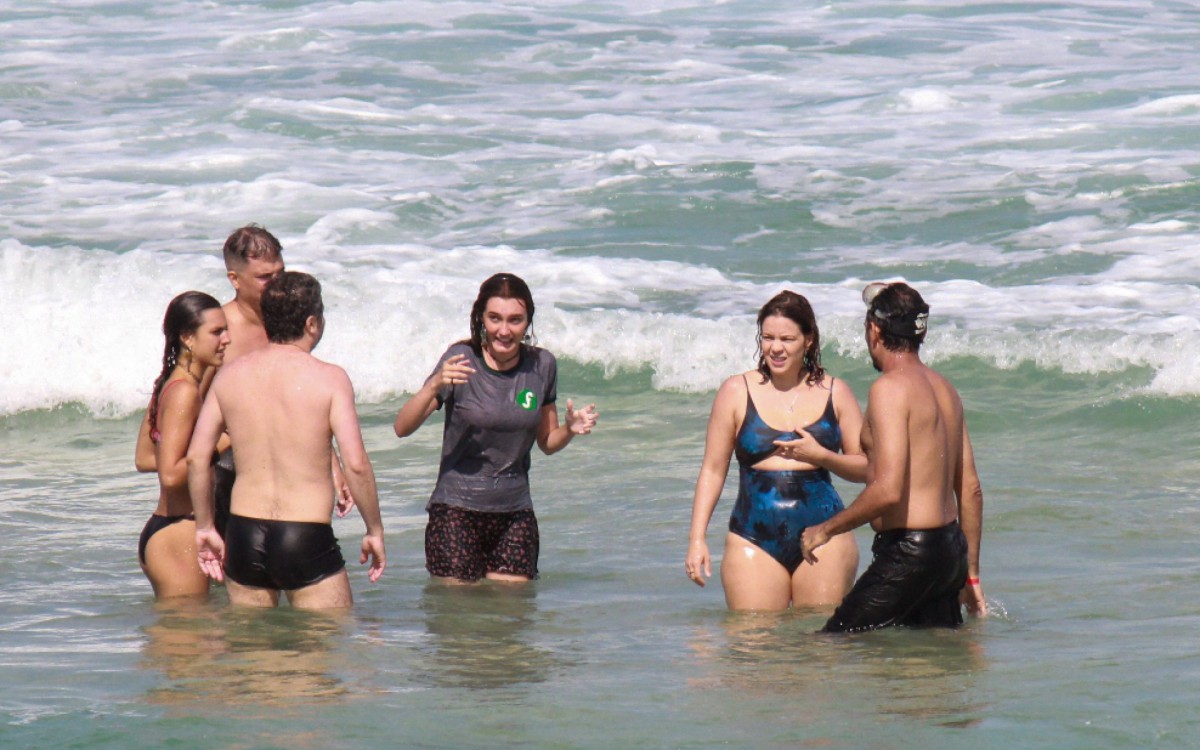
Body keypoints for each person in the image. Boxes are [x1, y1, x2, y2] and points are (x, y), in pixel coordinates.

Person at [186, 271, 385, 609]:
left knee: (255, 655)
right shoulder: (330, 378)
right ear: (312, 323)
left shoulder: (230, 375)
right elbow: (355, 463)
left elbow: (196, 458)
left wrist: (205, 526)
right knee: (323, 648)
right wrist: (374, 530)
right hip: (304, 534)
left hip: (244, 533)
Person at [801, 282, 986, 632]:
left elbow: (888, 491)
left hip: (909, 555)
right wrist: (970, 576)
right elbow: (971, 489)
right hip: (950, 551)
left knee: (827, 645)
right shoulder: (946, 389)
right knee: (924, 670)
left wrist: (824, 530)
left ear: (874, 330)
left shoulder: (888, 389)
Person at [394, 272, 598, 584]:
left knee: (510, 621)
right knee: (458, 622)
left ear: (528, 321)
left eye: (515, 320)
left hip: (515, 513)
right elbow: (402, 428)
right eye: (495, 318)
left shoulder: (542, 365)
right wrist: (433, 385)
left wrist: (569, 429)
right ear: (480, 318)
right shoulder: (460, 359)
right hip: (455, 511)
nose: (504, 330)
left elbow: (547, 442)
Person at [686, 291, 868, 611]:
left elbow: (867, 469)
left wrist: (822, 456)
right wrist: (696, 538)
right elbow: (713, 470)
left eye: (787, 338)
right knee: (752, 647)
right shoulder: (735, 391)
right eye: (768, 337)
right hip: (752, 537)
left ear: (808, 340)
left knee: (819, 647)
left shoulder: (835, 392)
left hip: (825, 535)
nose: (776, 348)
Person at [138, 291, 231, 598]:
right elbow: (170, 474)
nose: (227, 339)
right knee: (187, 640)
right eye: (216, 332)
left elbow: (144, 458)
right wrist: (222, 443)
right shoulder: (184, 393)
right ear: (188, 338)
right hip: (178, 533)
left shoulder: (169, 383)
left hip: (166, 529)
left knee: (186, 641)